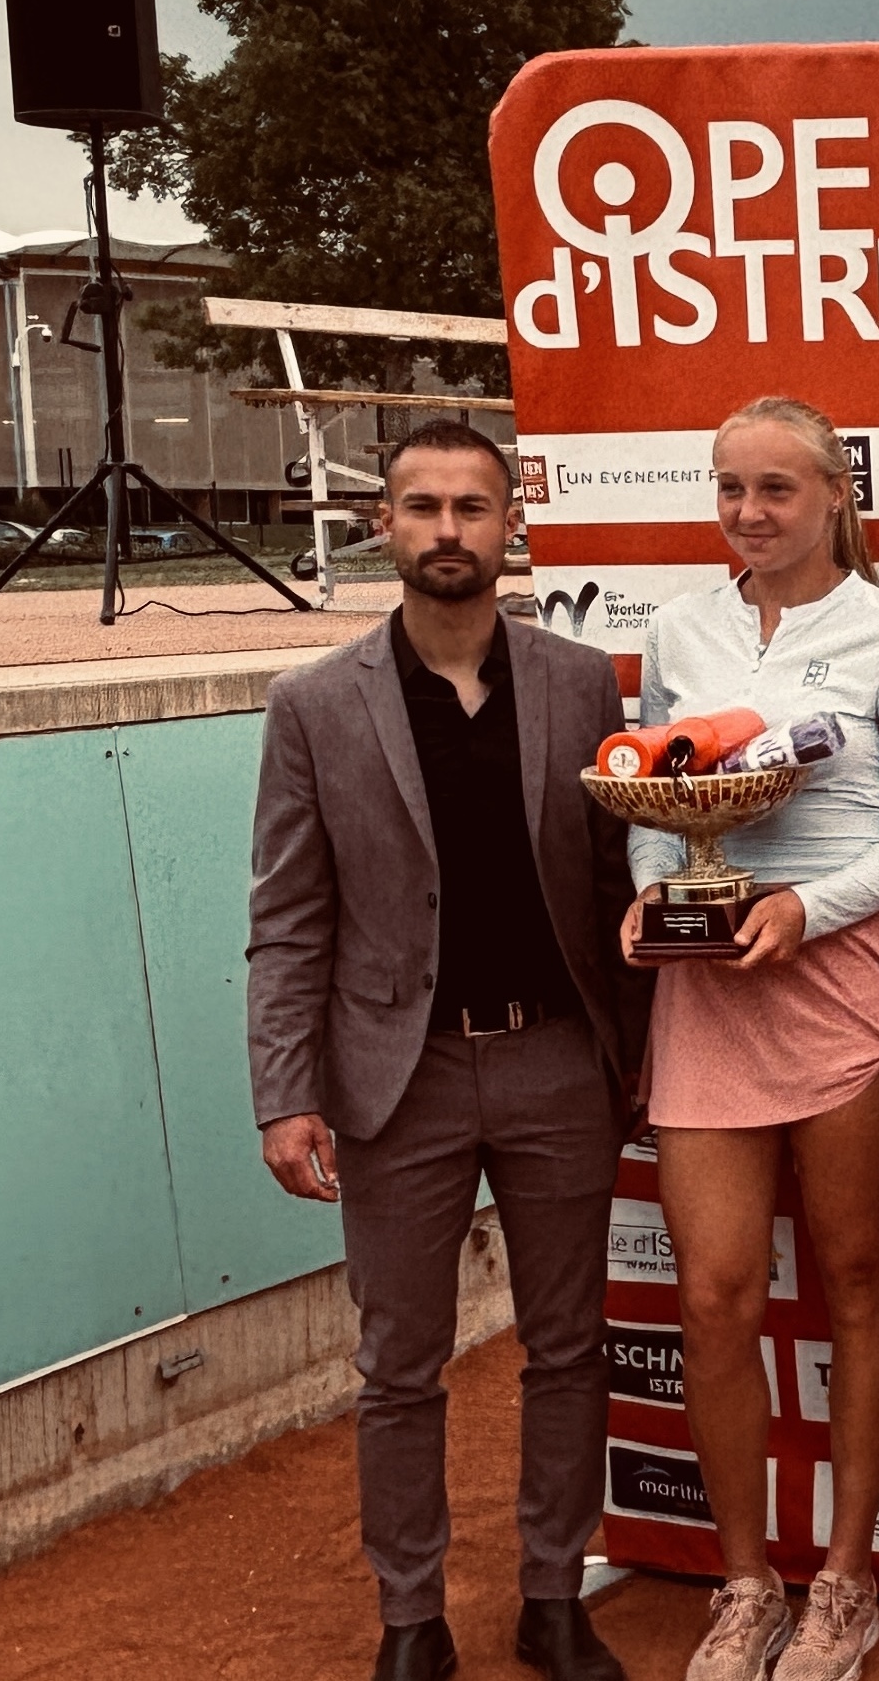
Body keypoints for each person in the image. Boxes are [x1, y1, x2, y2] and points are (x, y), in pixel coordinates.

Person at [247, 418, 645, 1681]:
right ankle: (410, 1615)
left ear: (507, 522)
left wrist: (635, 1052)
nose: (448, 531)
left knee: (570, 1341)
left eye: (472, 508)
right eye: (422, 507)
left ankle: (551, 1592)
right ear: (383, 524)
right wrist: (285, 1091)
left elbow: (606, 884)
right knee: (399, 1363)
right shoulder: (314, 701)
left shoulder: (581, 683)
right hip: (391, 1078)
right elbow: (289, 915)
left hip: (554, 1063)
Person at [627, 396, 879, 1681]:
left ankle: (845, 1578)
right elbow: (656, 791)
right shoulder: (680, 627)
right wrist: (661, 885)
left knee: (854, 1274)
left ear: (835, 496)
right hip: (708, 982)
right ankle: (747, 1582)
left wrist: (806, 908)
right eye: (729, 488)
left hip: (843, 976)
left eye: (776, 488)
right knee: (714, 1293)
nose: (751, 512)